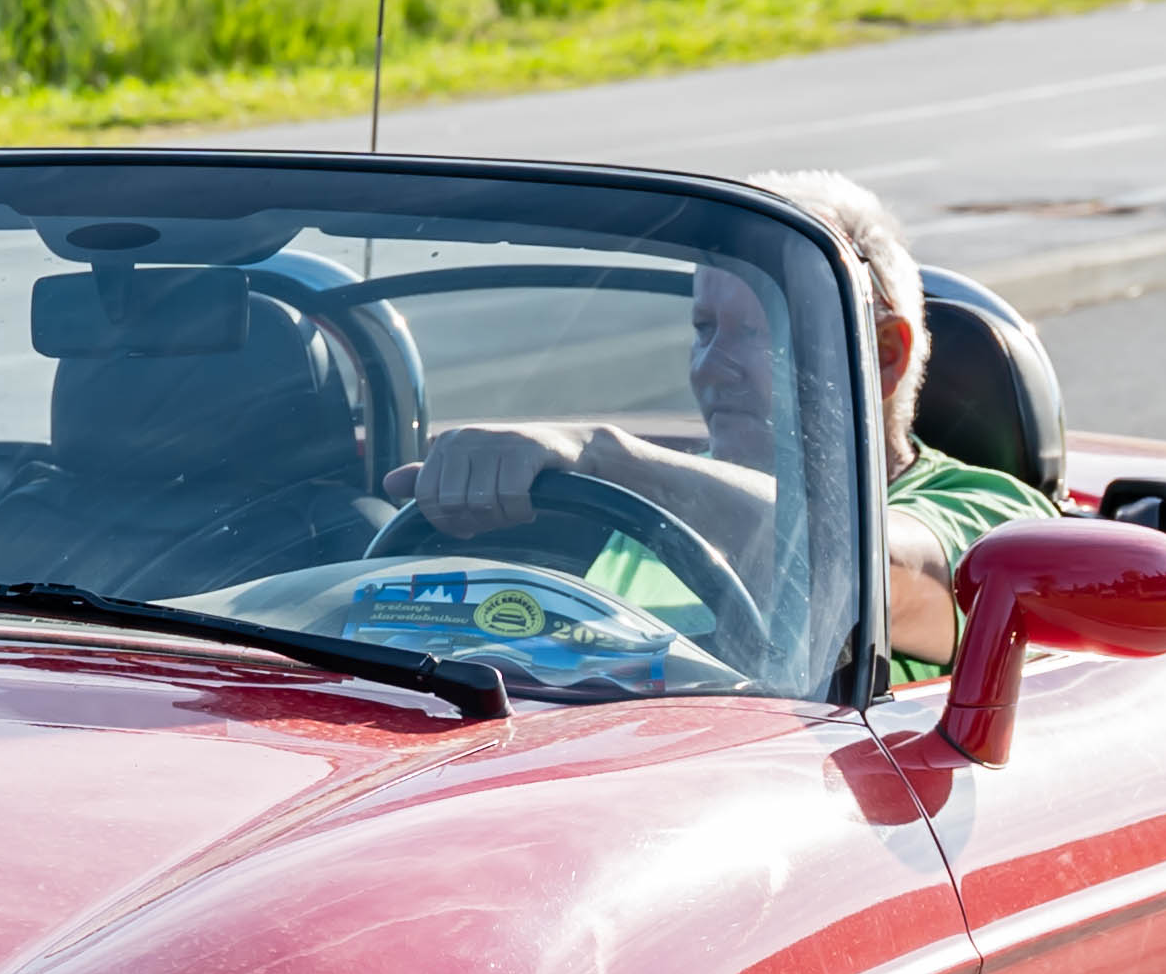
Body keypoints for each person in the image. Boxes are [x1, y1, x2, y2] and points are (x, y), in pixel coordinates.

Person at [398, 167, 1043, 685]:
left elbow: (860, 570)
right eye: (704, 328)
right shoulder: (640, 507)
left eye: (761, 332)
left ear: (884, 355)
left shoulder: (993, 516)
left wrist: (603, 454)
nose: (711, 368)